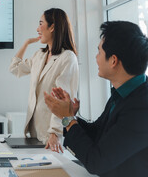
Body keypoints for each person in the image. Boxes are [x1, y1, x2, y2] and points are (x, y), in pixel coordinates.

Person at [44, 21, 148, 177]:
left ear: (113, 60)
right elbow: (98, 133)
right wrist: (70, 115)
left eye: (99, 52)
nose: (96, 57)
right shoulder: (123, 93)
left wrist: (67, 119)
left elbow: (97, 162)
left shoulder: (142, 107)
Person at [9, 8, 78, 153]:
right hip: (34, 131)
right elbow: (15, 68)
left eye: (41, 24)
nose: (37, 28)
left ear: (52, 27)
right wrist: (26, 43)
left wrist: (55, 133)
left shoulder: (67, 58)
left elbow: (63, 101)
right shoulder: (39, 55)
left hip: (51, 135)